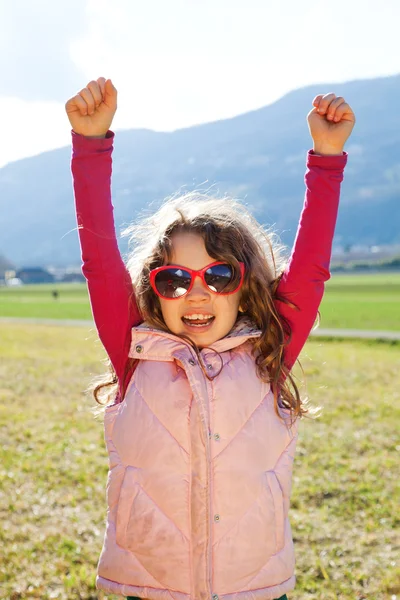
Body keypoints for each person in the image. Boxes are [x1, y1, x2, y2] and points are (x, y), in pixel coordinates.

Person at [65, 77, 355, 600]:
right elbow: (99, 264)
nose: (196, 295)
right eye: (175, 280)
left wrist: (326, 159)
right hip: (153, 586)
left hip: (254, 587)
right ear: (155, 293)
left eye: (217, 277)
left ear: (244, 288)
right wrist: (90, 146)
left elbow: (310, 270)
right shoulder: (135, 350)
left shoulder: (269, 351)